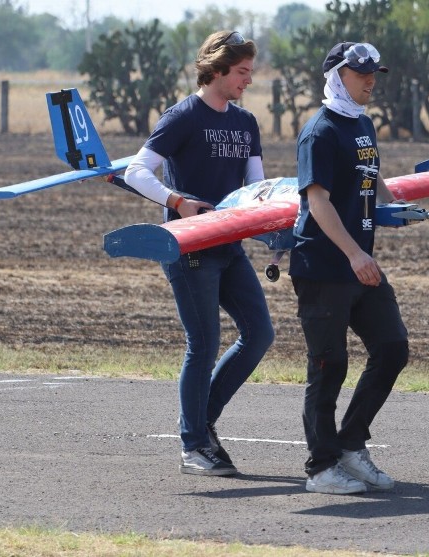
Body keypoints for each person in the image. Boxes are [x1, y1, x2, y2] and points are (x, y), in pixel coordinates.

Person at [123, 31, 274, 476]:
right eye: (242, 72)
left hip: (230, 247)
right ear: (218, 71)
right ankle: (193, 446)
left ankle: (200, 422)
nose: (248, 80)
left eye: (250, 72)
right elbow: (136, 171)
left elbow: (255, 189)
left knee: (260, 334)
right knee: (203, 344)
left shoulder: (246, 123)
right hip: (189, 249)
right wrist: (176, 202)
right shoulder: (183, 116)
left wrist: (274, 227)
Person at [290, 41, 410, 494]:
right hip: (324, 266)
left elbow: (367, 176)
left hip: (359, 263)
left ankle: (349, 446)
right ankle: (321, 470)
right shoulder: (319, 131)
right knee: (329, 365)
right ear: (338, 76)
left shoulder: (363, 123)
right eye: (362, 73)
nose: (370, 80)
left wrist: (392, 203)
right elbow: (316, 201)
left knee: (392, 347)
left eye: (374, 72)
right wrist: (355, 254)